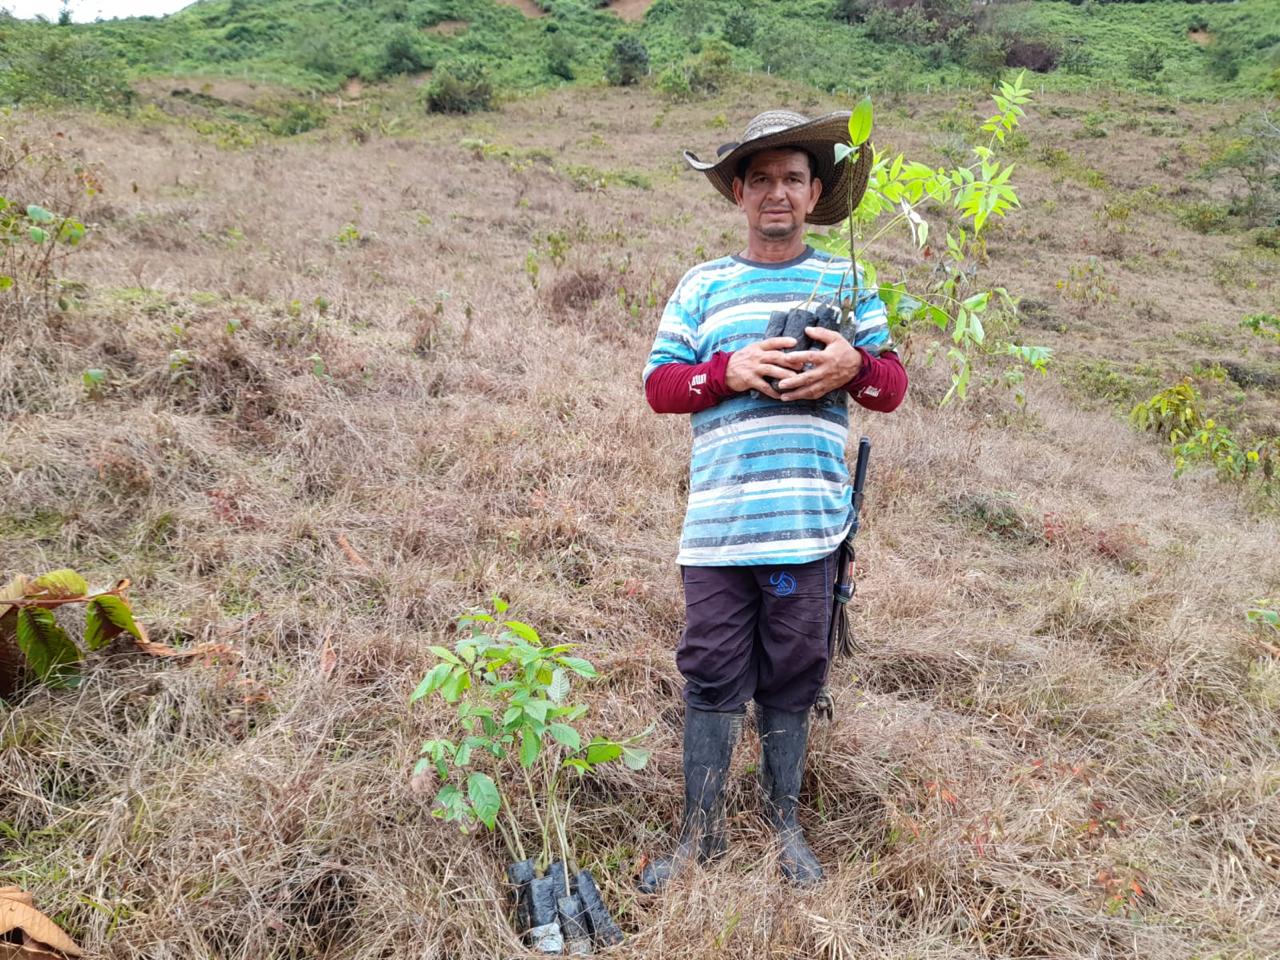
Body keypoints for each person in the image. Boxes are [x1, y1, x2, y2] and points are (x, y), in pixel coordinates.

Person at [638, 110, 908, 892]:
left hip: (807, 530)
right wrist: (727, 370)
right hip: (720, 531)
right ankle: (701, 833)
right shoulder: (703, 285)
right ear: (737, 192)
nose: (778, 193)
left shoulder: (846, 282)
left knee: (795, 672)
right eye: (761, 179)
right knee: (713, 673)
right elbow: (660, 387)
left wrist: (852, 364)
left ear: (815, 190)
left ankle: (783, 822)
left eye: (793, 177)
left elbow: (890, 388)